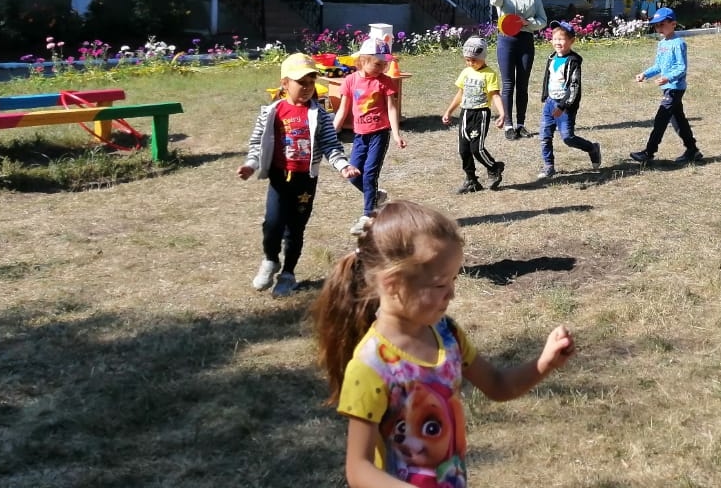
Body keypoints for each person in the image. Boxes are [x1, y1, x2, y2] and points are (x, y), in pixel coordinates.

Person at [313, 201, 576, 488]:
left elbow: (498, 385)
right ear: (392, 284)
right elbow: (358, 469)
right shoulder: (371, 366)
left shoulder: (446, 334)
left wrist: (544, 363)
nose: (451, 293)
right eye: (440, 284)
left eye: (454, 279)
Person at [238, 52, 357, 297]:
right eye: (301, 82)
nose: (307, 87)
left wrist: (343, 165)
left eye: (311, 82)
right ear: (285, 83)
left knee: (295, 228)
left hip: (305, 181)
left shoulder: (320, 115)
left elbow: (331, 145)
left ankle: (288, 274)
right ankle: (271, 260)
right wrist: (251, 164)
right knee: (272, 224)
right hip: (279, 179)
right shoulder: (271, 112)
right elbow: (257, 144)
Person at [333, 39, 405, 232]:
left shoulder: (385, 81)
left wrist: (396, 134)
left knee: (370, 174)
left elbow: (392, 109)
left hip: (379, 134)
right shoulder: (350, 81)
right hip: (360, 136)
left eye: (384, 64)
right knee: (353, 174)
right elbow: (343, 110)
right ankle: (376, 196)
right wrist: (331, 133)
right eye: (378, 64)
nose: (382, 68)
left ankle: (367, 215)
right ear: (363, 60)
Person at [630, 7, 701, 165]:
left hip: (675, 88)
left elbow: (681, 68)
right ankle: (693, 150)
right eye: (656, 25)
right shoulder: (662, 44)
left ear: (673, 23)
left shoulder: (678, 43)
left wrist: (667, 78)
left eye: (662, 24)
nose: (659, 28)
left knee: (661, 119)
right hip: (668, 87)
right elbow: (658, 65)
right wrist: (645, 74)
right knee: (678, 120)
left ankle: (649, 152)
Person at [488, 0, 546, 142]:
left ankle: (520, 124)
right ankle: (508, 125)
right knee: (508, 84)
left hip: (526, 41)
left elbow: (543, 20)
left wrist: (528, 22)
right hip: (506, 41)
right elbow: (493, 1)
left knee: (522, 84)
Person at [537, 20, 602, 179]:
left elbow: (574, 86)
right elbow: (548, 78)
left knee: (567, 138)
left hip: (565, 106)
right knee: (545, 135)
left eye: (562, 39)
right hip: (550, 103)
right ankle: (549, 166)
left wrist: (562, 106)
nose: (557, 42)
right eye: (555, 39)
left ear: (572, 41)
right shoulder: (551, 58)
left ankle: (592, 148)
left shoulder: (573, 61)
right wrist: (546, 96)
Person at [441, 36, 506, 194]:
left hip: (480, 114)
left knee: (476, 148)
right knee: (464, 149)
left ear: (482, 57)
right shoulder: (466, 72)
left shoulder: (489, 74)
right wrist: (449, 111)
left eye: (474, 60)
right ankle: (471, 180)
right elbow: (460, 93)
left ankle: (494, 167)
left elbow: (495, 95)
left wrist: (502, 114)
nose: (470, 63)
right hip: (465, 113)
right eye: (467, 60)